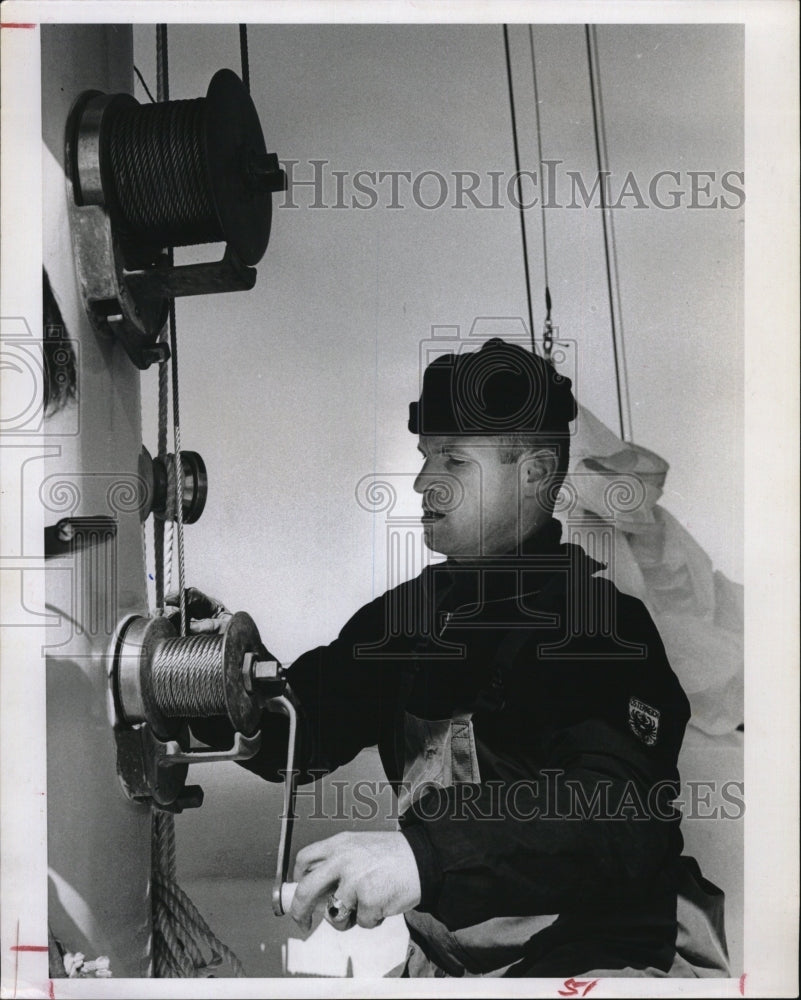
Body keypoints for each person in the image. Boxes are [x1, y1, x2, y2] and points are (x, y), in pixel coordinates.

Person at [189, 338, 729, 978]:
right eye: (425, 458)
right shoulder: (410, 619)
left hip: (603, 962)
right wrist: (208, 679)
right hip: (454, 969)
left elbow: (614, 814)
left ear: (532, 474)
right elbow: (301, 724)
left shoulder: (605, 631)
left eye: (453, 459)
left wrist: (421, 859)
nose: (423, 482)